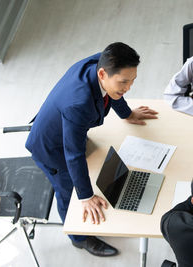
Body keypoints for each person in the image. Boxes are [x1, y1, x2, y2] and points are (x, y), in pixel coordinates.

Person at [25, 42, 158, 256]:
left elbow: (113, 93)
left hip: (68, 130)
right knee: (69, 192)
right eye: (124, 82)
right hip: (52, 148)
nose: (128, 87)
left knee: (96, 167)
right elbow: (73, 154)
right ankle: (79, 238)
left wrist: (127, 114)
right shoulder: (78, 103)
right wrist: (86, 196)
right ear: (103, 73)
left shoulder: (102, 61)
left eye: (132, 81)